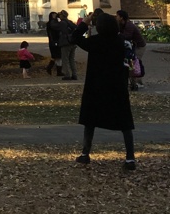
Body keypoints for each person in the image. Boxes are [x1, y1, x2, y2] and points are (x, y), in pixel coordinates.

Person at [73, 12, 136, 170]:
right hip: (117, 86)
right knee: (125, 123)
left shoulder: (95, 42)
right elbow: (130, 64)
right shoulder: (123, 42)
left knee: (90, 121)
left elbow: (74, 37)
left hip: (96, 85)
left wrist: (84, 23)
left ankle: (85, 154)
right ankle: (130, 158)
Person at [116, 10, 146, 91]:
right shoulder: (122, 25)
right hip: (132, 46)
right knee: (130, 63)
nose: (116, 17)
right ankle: (134, 81)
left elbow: (127, 36)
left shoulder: (129, 25)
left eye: (117, 16)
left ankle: (137, 81)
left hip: (139, 46)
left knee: (134, 62)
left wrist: (118, 34)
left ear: (121, 17)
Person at [59, 10, 78, 81]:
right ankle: (74, 74)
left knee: (65, 59)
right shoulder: (70, 22)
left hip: (65, 42)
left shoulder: (62, 23)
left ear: (62, 16)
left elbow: (61, 31)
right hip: (72, 42)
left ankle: (67, 74)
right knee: (72, 59)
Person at [45, 11, 63, 77]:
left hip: (54, 41)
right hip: (55, 42)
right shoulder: (52, 23)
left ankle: (53, 69)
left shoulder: (51, 23)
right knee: (57, 56)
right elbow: (57, 29)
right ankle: (54, 69)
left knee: (56, 56)